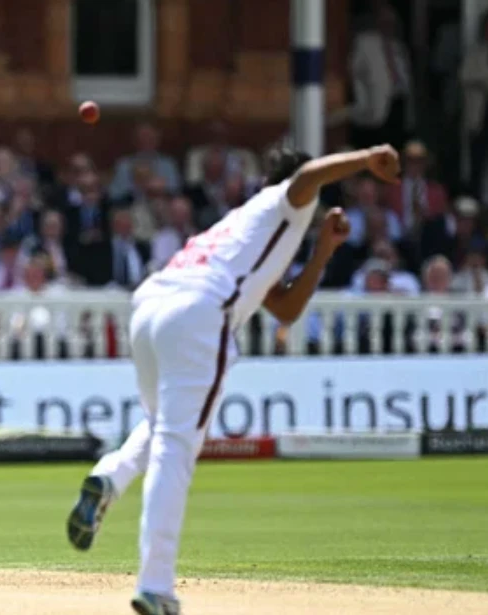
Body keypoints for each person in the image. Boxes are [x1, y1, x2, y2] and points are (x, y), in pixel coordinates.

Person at [66, 144, 401, 614]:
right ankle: (156, 584)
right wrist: (367, 158)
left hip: (150, 305)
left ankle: (110, 477)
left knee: (164, 424)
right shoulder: (286, 200)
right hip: (199, 312)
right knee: (176, 446)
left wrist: (323, 249)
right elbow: (305, 178)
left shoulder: (246, 225)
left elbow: (283, 307)